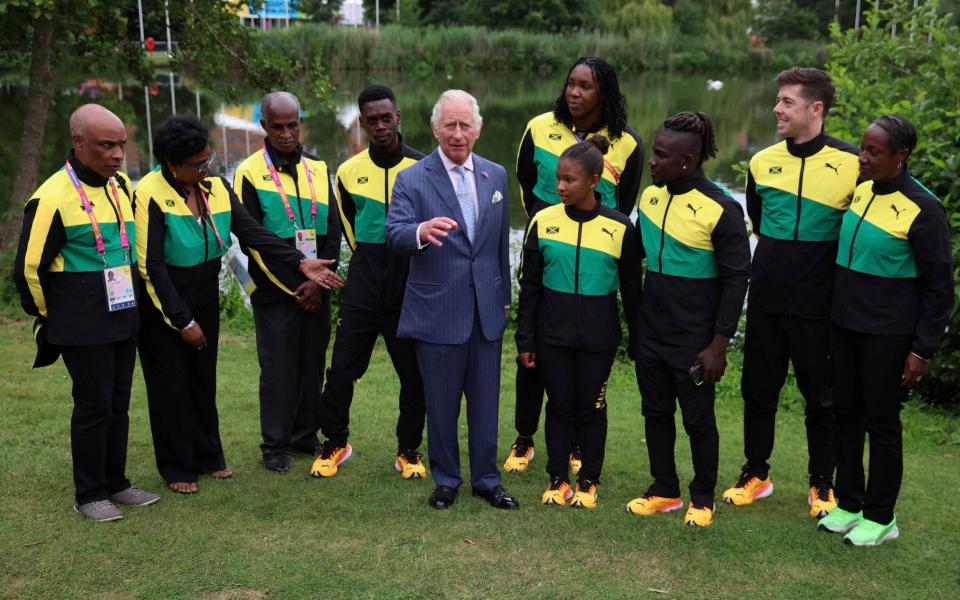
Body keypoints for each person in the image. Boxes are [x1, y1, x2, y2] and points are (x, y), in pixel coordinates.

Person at [135, 115, 342, 493]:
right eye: (197, 164)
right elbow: (151, 266)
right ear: (171, 164)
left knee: (202, 379)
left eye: (208, 158)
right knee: (171, 386)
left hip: (204, 292)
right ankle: (178, 468)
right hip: (165, 301)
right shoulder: (149, 192)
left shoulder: (215, 187)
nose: (206, 167)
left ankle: (209, 456)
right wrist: (181, 320)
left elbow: (254, 233)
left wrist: (300, 262)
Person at [12, 104, 160, 521]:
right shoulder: (51, 197)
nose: (117, 154)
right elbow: (27, 270)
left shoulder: (121, 186)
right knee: (93, 406)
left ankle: (117, 482)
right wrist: (55, 315)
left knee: (118, 403)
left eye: (122, 145)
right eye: (106, 145)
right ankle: (90, 493)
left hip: (123, 315)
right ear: (78, 143)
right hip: (81, 322)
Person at [723, 68, 859, 518]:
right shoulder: (762, 162)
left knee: (821, 398)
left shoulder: (853, 163)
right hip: (767, 298)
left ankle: (822, 482)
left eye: (787, 102)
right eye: (778, 100)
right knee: (757, 391)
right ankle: (756, 474)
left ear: (815, 108)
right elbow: (760, 223)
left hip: (821, 305)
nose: (777, 109)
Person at [817, 115, 953, 546]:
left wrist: (922, 349)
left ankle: (881, 517)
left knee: (881, 422)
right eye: (863, 148)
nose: (864, 157)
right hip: (844, 328)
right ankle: (850, 504)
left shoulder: (924, 208)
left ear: (901, 156)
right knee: (846, 416)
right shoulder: (860, 192)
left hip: (888, 336)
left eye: (874, 151)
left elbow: (939, 288)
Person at [506, 56, 644, 475]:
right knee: (533, 361)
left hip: (594, 263)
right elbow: (525, 182)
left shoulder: (628, 143)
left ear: (605, 92)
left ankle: (579, 446)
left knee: (582, 369)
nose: (574, 92)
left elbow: (625, 204)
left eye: (585, 86)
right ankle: (525, 438)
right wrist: (544, 228)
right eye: (570, 84)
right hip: (547, 253)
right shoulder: (538, 127)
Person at [386, 90, 517, 510]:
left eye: (465, 126)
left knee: (486, 403)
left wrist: (504, 300)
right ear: (434, 128)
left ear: (478, 129)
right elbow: (394, 233)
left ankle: (487, 479)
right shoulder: (411, 178)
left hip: (486, 312)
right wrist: (420, 231)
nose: (457, 134)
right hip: (437, 310)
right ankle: (446, 480)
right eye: (450, 125)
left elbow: (498, 245)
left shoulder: (496, 176)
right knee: (440, 405)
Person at [625, 112, 750, 527]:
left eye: (661, 155)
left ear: (688, 160)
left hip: (695, 338)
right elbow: (636, 252)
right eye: (653, 152)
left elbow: (736, 280)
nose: (652, 161)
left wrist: (719, 344)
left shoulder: (722, 209)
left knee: (698, 420)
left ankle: (702, 497)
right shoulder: (651, 197)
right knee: (655, 413)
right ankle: (664, 489)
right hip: (652, 332)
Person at [516, 136, 640, 509]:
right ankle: (558, 479)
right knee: (558, 405)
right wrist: (526, 339)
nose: (560, 187)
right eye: (559, 178)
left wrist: (638, 339)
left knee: (591, 406)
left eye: (570, 180)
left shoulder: (620, 228)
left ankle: (588, 480)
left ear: (594, 180)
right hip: (551, 334)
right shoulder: (543, 220)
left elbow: (634, 293)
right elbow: (530, 286)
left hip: (598, 338)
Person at [312, 85, 427, 479]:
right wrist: (369, 261)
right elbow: (349, 227)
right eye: (371, 120)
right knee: (341, 368)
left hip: (409, 280)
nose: (380, 126)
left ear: (399, 118)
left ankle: (408, 450)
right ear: (361, 124)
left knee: (415, 375)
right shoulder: (347, 171)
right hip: (364, 279)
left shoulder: (424, 168)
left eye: (386, 117)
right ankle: (336, 442)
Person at [233, 91, 342, 474]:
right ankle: (274, 444)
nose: (285, 133)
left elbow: (333, 229)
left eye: (291, 125)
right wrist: (295, 286)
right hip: (277, 292)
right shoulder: (248, 171)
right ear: (263, 125)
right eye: (276, 126)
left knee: (312, 364)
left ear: (300, 124)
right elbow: (251, 240)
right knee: (278, 369)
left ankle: (303, 434)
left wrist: (320, 282)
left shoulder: (317, 167)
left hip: (316, 290)